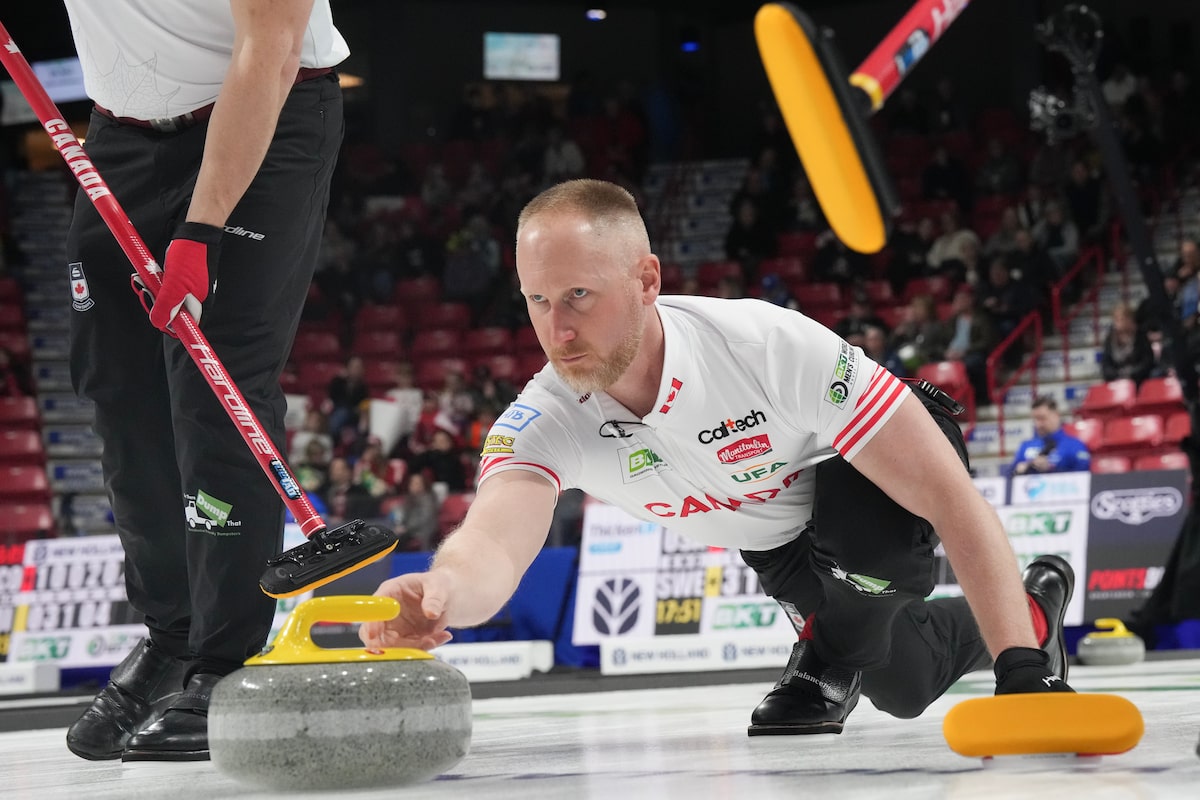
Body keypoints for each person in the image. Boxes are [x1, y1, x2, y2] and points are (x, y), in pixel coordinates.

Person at [362, 179, 1076, 737]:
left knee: (870, 559)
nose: (558, 327)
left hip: (861, 481)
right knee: (907, 684)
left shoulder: (767, 347)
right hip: (780, 545)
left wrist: (1020, 675)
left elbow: (953, 501)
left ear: (646, 280)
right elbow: (493, 541)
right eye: (537, 299)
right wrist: (443, 588)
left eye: (580, 293)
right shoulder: (545, 418)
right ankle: (1036, 612)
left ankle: (843, 652)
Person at [61, 0, 346, 763]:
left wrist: (200, 229)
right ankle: (173, 637)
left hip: (267, 114)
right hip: (120, 135)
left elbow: (272, 48)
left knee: (216, 389)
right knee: (120, 396)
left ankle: (226, 662)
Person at [1009, 396, 1091, 476]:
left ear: (1056, 415)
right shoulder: (1026, 446)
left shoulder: (1074, 445)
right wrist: (1019, 471)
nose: (1038, 424)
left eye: (1042, 418)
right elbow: (1009, 476)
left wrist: (1051, 468)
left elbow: (1084, 476)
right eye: (1035, 419)